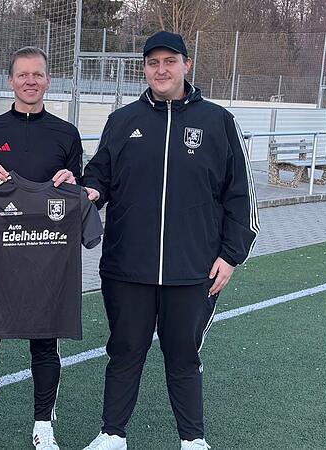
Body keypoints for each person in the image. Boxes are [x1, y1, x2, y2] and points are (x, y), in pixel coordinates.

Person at [80, 31, 260, 450]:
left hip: (194, 270)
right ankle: (112, 434)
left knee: (183, 357)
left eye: (169, 61)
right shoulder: (122, 121)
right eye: (152, 63)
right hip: (128, 267)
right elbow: (99, 176)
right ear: (144, 68)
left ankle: (192, 440)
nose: (161, 70)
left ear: (186, 64)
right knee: (125, 352)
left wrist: (231, 257)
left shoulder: (218, 121)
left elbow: (242, 198)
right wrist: (87, 190)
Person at [0, 46, 84, 450]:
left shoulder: (66, 134)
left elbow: (84, 192)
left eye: (38, 75)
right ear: (9, 81)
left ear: (48, 81)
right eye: (23, 75)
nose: (30, 81)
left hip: (47, 258)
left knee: (45, 343)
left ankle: (43, 426)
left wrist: (71, 180)